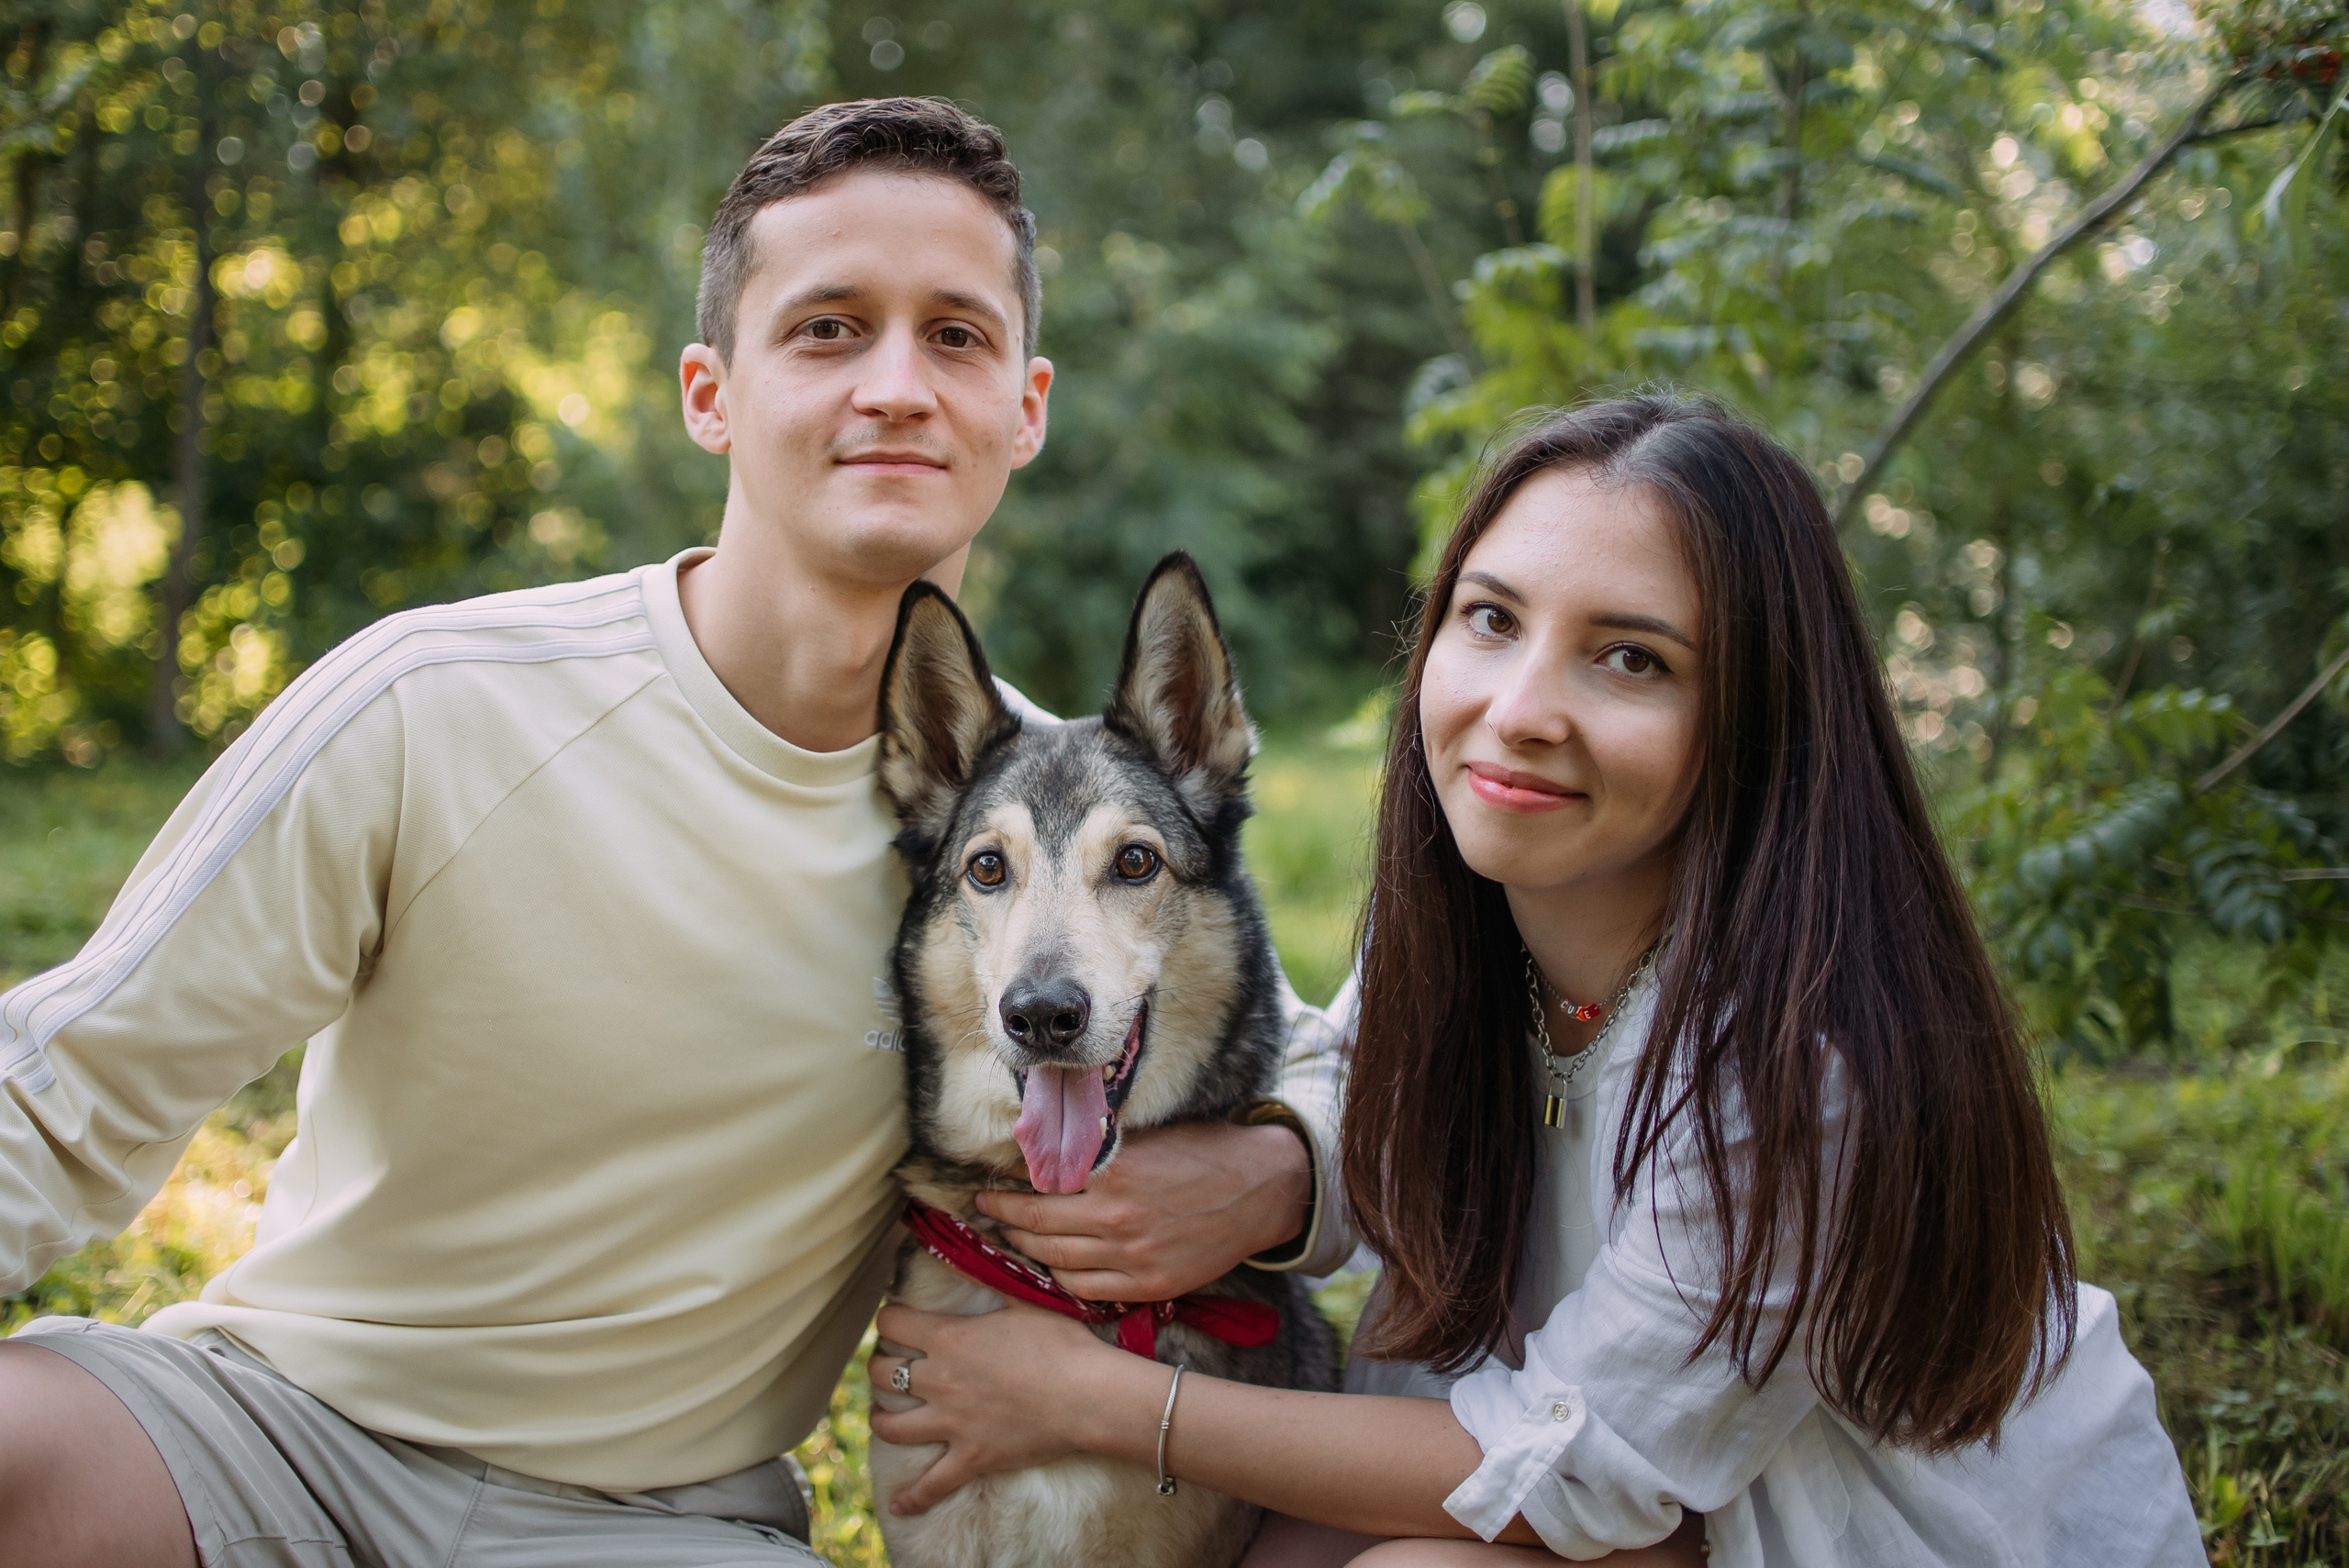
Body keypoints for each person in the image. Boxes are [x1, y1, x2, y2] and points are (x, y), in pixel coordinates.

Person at [0, 98, 1349, 1568]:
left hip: (661, 1526)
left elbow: (1325, 1055)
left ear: (1025, 406)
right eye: (829, 328)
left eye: (954, 336)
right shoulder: (436, 707)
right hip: (266, 1436)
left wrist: (1285, 1173)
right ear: (711, 390)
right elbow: (64, 1085)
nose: (896, 384)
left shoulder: (1023, 830)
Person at [868, 395, 2205, 1566]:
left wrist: (1093, 1402)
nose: (1519, 708)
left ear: (1754, 709)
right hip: (1647, 1505)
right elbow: (1348, 1060)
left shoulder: (1793, 1060)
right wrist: (1288, 1168)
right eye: (1494, 618)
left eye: (1632, 656)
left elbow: (1584, 1468)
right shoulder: (1489, 908)